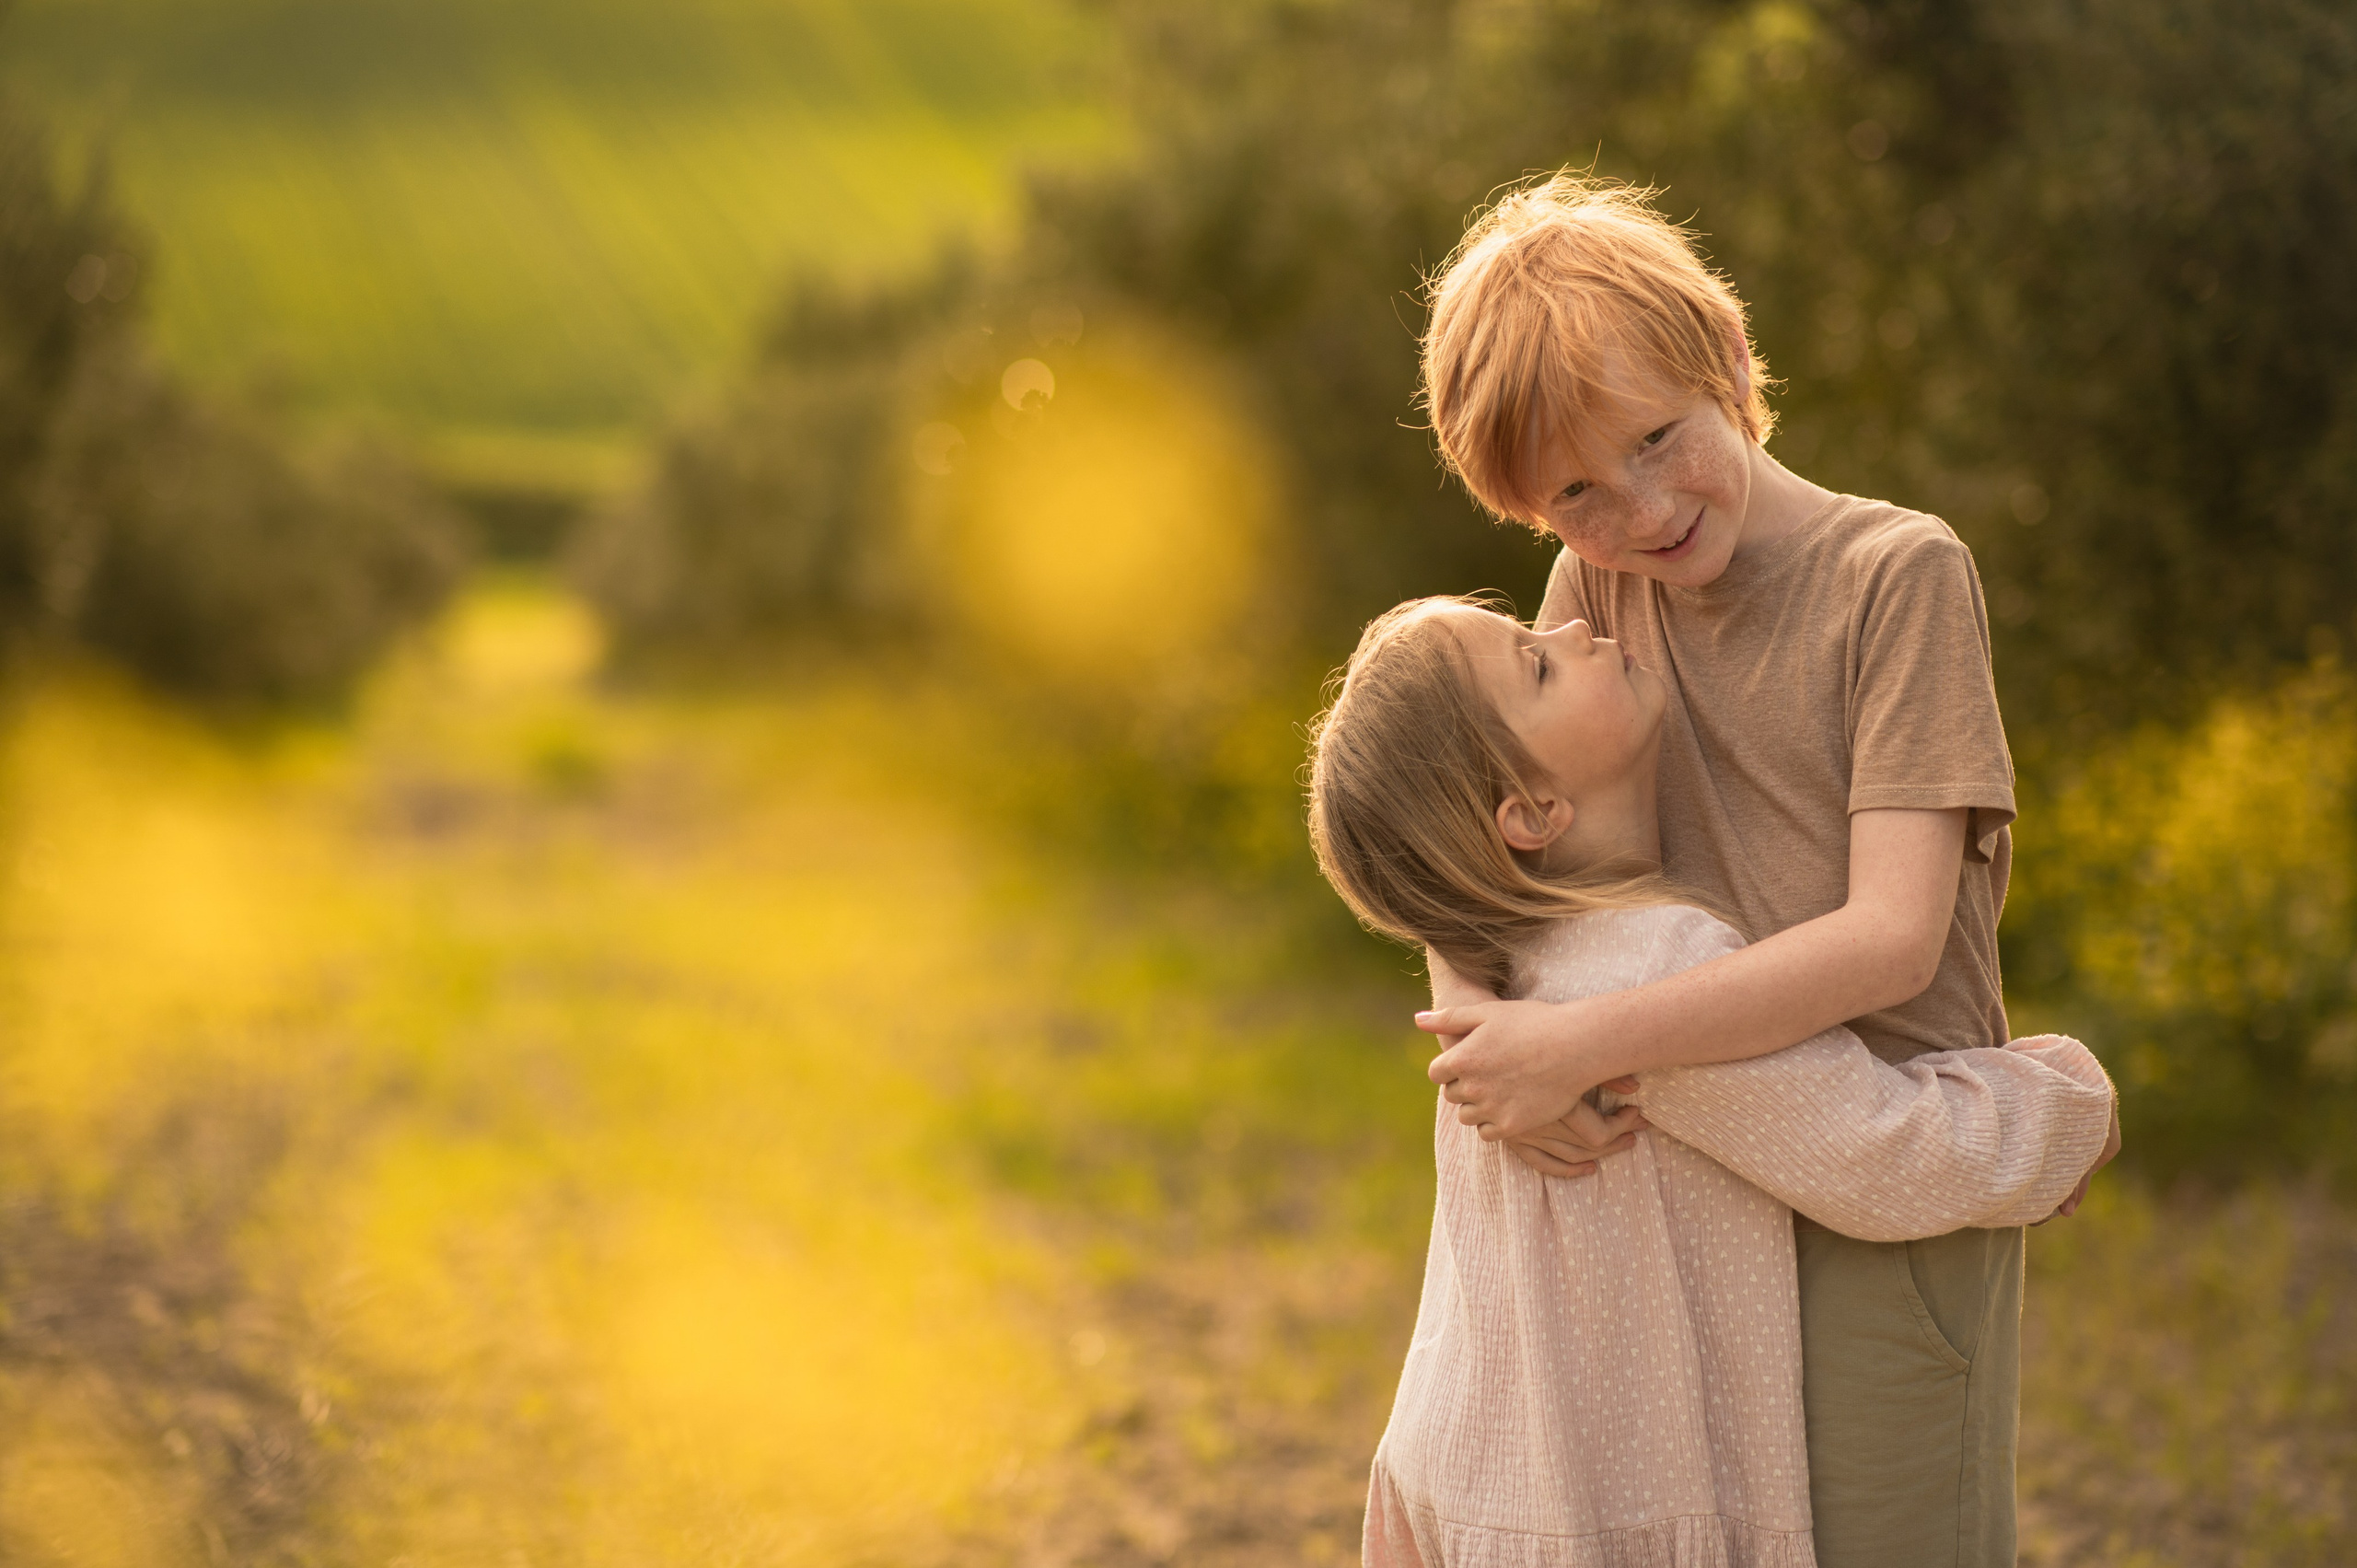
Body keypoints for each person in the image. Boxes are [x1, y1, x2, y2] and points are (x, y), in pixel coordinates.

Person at [1408, 173, 2111, 1566]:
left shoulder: (1894, 576)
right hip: (1694, 1190)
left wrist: (1580, 1039)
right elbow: (1480, 837)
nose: (1641, 509)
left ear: (1728, 357)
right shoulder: (1591, 595)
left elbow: (1890, 943)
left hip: (1891, 1169)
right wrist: (1489, 1032)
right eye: (1575, 494)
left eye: (1660, 438)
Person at [1305, 598, 2116, 1566]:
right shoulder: (1651, 967)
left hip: (1470, 1470)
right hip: (1596, 1511)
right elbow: (1882, 1150)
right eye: (1537, 664)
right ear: (1527, 812)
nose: (1573, 628)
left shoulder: (1509, 971)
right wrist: (2071, 1099)